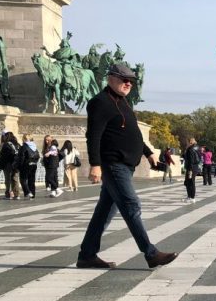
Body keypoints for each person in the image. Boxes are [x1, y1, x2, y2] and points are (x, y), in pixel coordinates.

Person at [77, 63, 177, 270]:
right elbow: (93, 136)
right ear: (110, 78)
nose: (128, 84)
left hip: (125, 165)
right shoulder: (100, 102)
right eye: (124, 79)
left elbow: (134, 133)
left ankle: (87, 255)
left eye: (131, 81)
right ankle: (151, 253)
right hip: (114, 164)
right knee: (131, 205)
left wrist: (148, 153)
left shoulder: (123, 102)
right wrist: (95, 164)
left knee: (104, 213)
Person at [0, 131, 21, 199]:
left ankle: (8, 194)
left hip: (8, 164)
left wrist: (0, 165)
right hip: (16, 164)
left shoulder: (6, 144)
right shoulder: (17, 144)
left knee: (8, 179)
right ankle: (16, 194)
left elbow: (3, 156)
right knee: (15, 179)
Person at [20, 134, 39, 199]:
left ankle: (28, 192)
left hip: (26, 164)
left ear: (24, 139)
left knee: (23, 179)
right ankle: (32, 194)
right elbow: (38, 156)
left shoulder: (24, 146)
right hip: (34, 164)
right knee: (31, 180)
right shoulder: (34, 146)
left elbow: (21, 157)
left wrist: (20, 165)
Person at [183, 137, 201, 203]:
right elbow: (198, 158)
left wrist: (190, 170)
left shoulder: (190, 149)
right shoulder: (198, 148)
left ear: (190, 142)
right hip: (195, 167)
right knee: (190, 182)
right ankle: (190, 197)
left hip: (191, 168)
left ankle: (191, 197)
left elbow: (191, 160)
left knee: (189, 182)